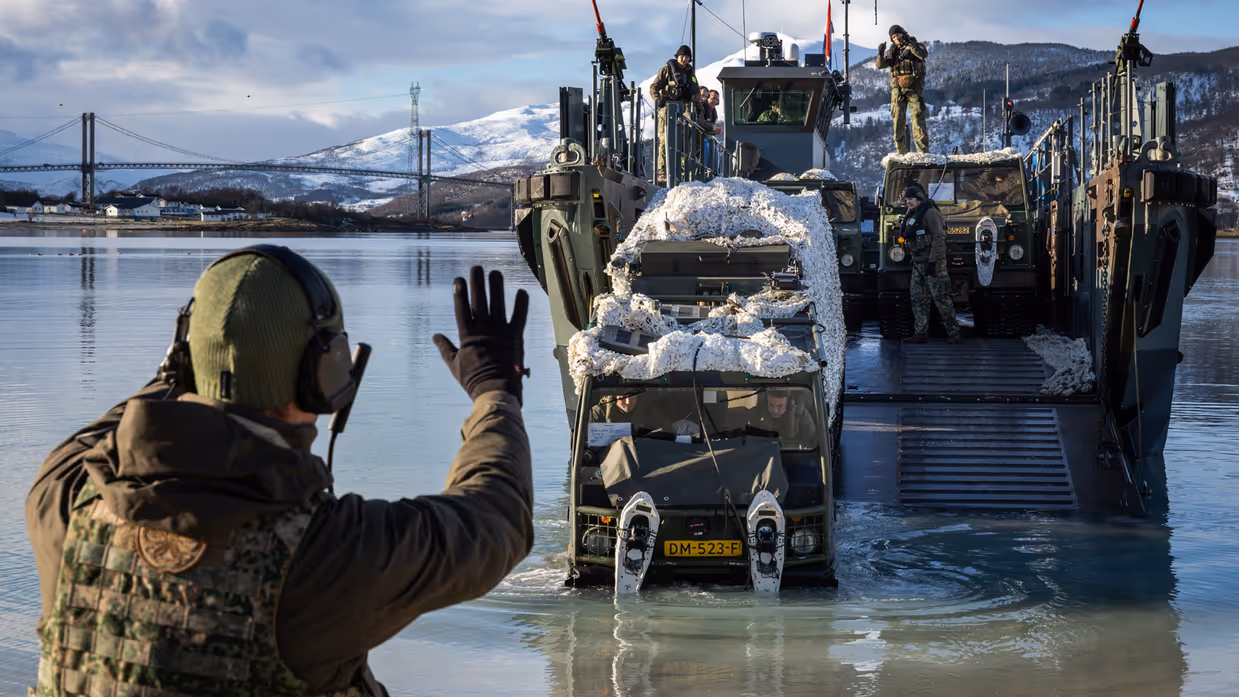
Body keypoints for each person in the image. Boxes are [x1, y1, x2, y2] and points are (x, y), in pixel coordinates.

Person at [24, 248, 534, 697]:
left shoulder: (67, 494)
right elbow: (495, 516)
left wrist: (188, 361)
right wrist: (494, 393)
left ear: (183, 360)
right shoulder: (327, 555)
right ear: (325, 374)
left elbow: (117, 425)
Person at [901, 185, 960, 343]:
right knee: (918, 299)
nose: (908, 202)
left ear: (919, 198)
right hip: (918, 262)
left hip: (932, 263)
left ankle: (953, 333)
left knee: (942, 298)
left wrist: (934, 261)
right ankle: (920, 333)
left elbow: (938, 238)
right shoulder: (913, 214)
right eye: (907, 200)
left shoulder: (930, 213)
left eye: (911, 199)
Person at [875, 24, 930, 155]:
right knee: (898, 121)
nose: (895, 38)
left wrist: (910, 46)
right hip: (898, 90)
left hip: (914, 88)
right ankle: (900, 152)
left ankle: (922, 153)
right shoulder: (892, 51)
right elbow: (880, 65)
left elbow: (923, 54)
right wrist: (881, 53)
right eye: (893, 37)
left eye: (897, 35)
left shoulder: (916, 45)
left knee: (918, 120)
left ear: (903, 33)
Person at [650, 45, 701, 184]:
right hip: (666, 109)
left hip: (683, 110)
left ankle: (683, 170)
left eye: (687, 57)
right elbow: (654, 88)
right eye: (682, 56)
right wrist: (659, 99)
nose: (684, 60)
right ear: (677, 56)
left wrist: (693, 97)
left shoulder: (691, 75)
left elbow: (696, 92)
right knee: (664, 140)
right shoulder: (666, 71)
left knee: (684, 141)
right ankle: (662, 171)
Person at [746, 390, 818, 450]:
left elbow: (812, 445)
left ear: (788, 404)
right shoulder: (756, 415)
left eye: (780, 406)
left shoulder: (801, 417)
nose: (775, 410)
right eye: (771, 404)